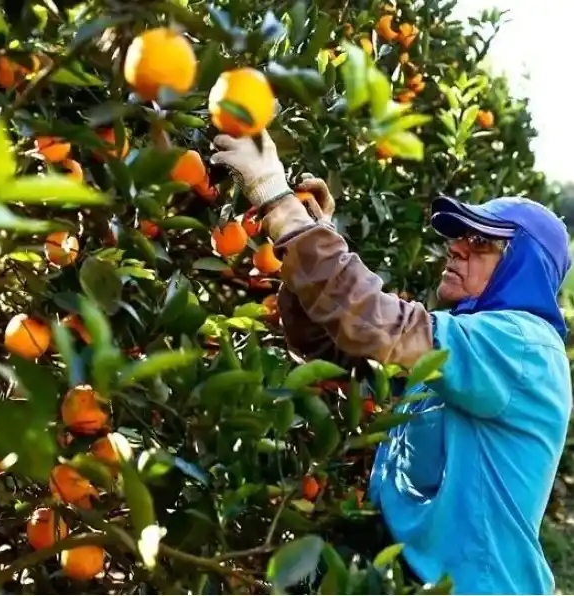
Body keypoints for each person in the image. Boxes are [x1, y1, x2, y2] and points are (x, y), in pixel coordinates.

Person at [210, 131, 573, 595]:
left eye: (481, 242)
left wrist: (277, 201)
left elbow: (374, 321)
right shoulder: (462, 349)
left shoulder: (520, 345)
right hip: (405, 575)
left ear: (523, 266)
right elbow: (333, 343)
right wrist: (313, 233)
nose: (456, 248)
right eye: (458, 237)